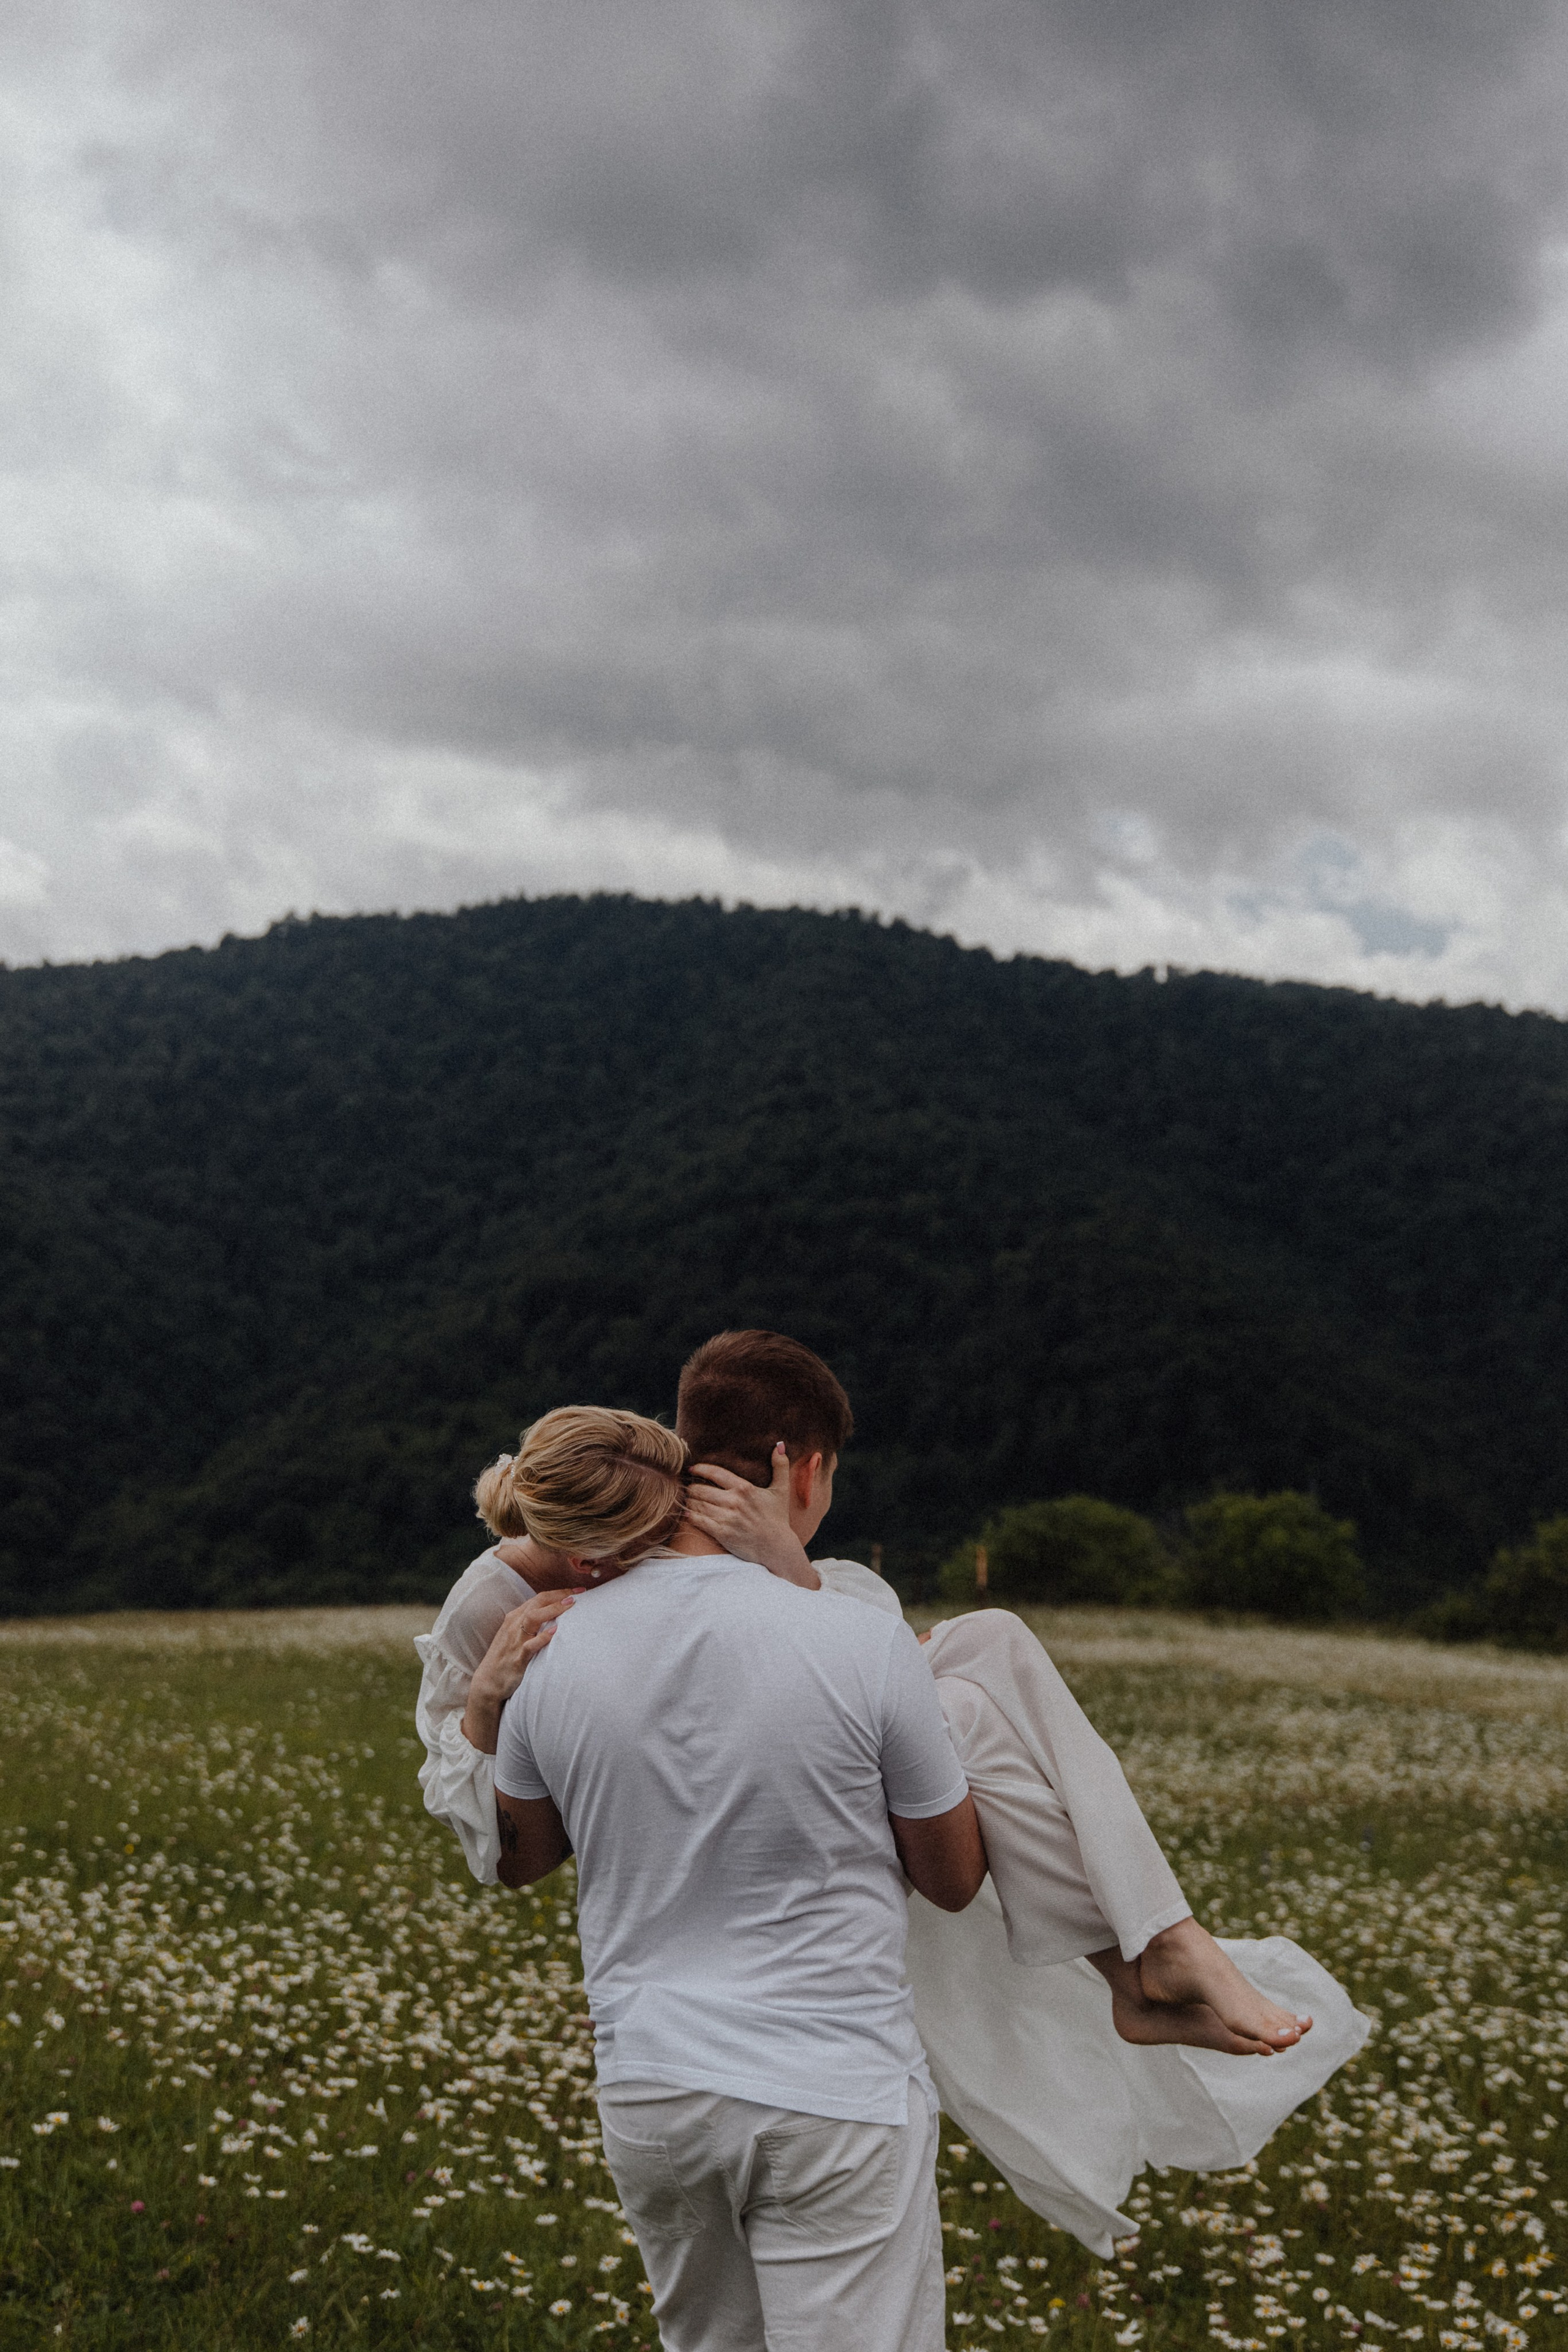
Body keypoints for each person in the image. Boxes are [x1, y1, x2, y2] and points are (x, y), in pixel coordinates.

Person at [414, 1331, 1368, 2260]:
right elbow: (504, 1827)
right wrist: (488, 1712)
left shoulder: (826, 1589)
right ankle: (1154, 1957)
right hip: (793, 2002)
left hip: (695, 2018)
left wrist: (790, 1572)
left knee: (984, 1655)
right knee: (986, 1654)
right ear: (808, 1468)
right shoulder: (528, 1583)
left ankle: (1158, 1955)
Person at [481, 1395, 986, 2352]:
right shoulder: (857, 1638)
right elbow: (953, 1878)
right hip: (835, 2087)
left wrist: (482, 1712)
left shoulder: (543, 1657)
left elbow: (522, 1862)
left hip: (656, 2091)